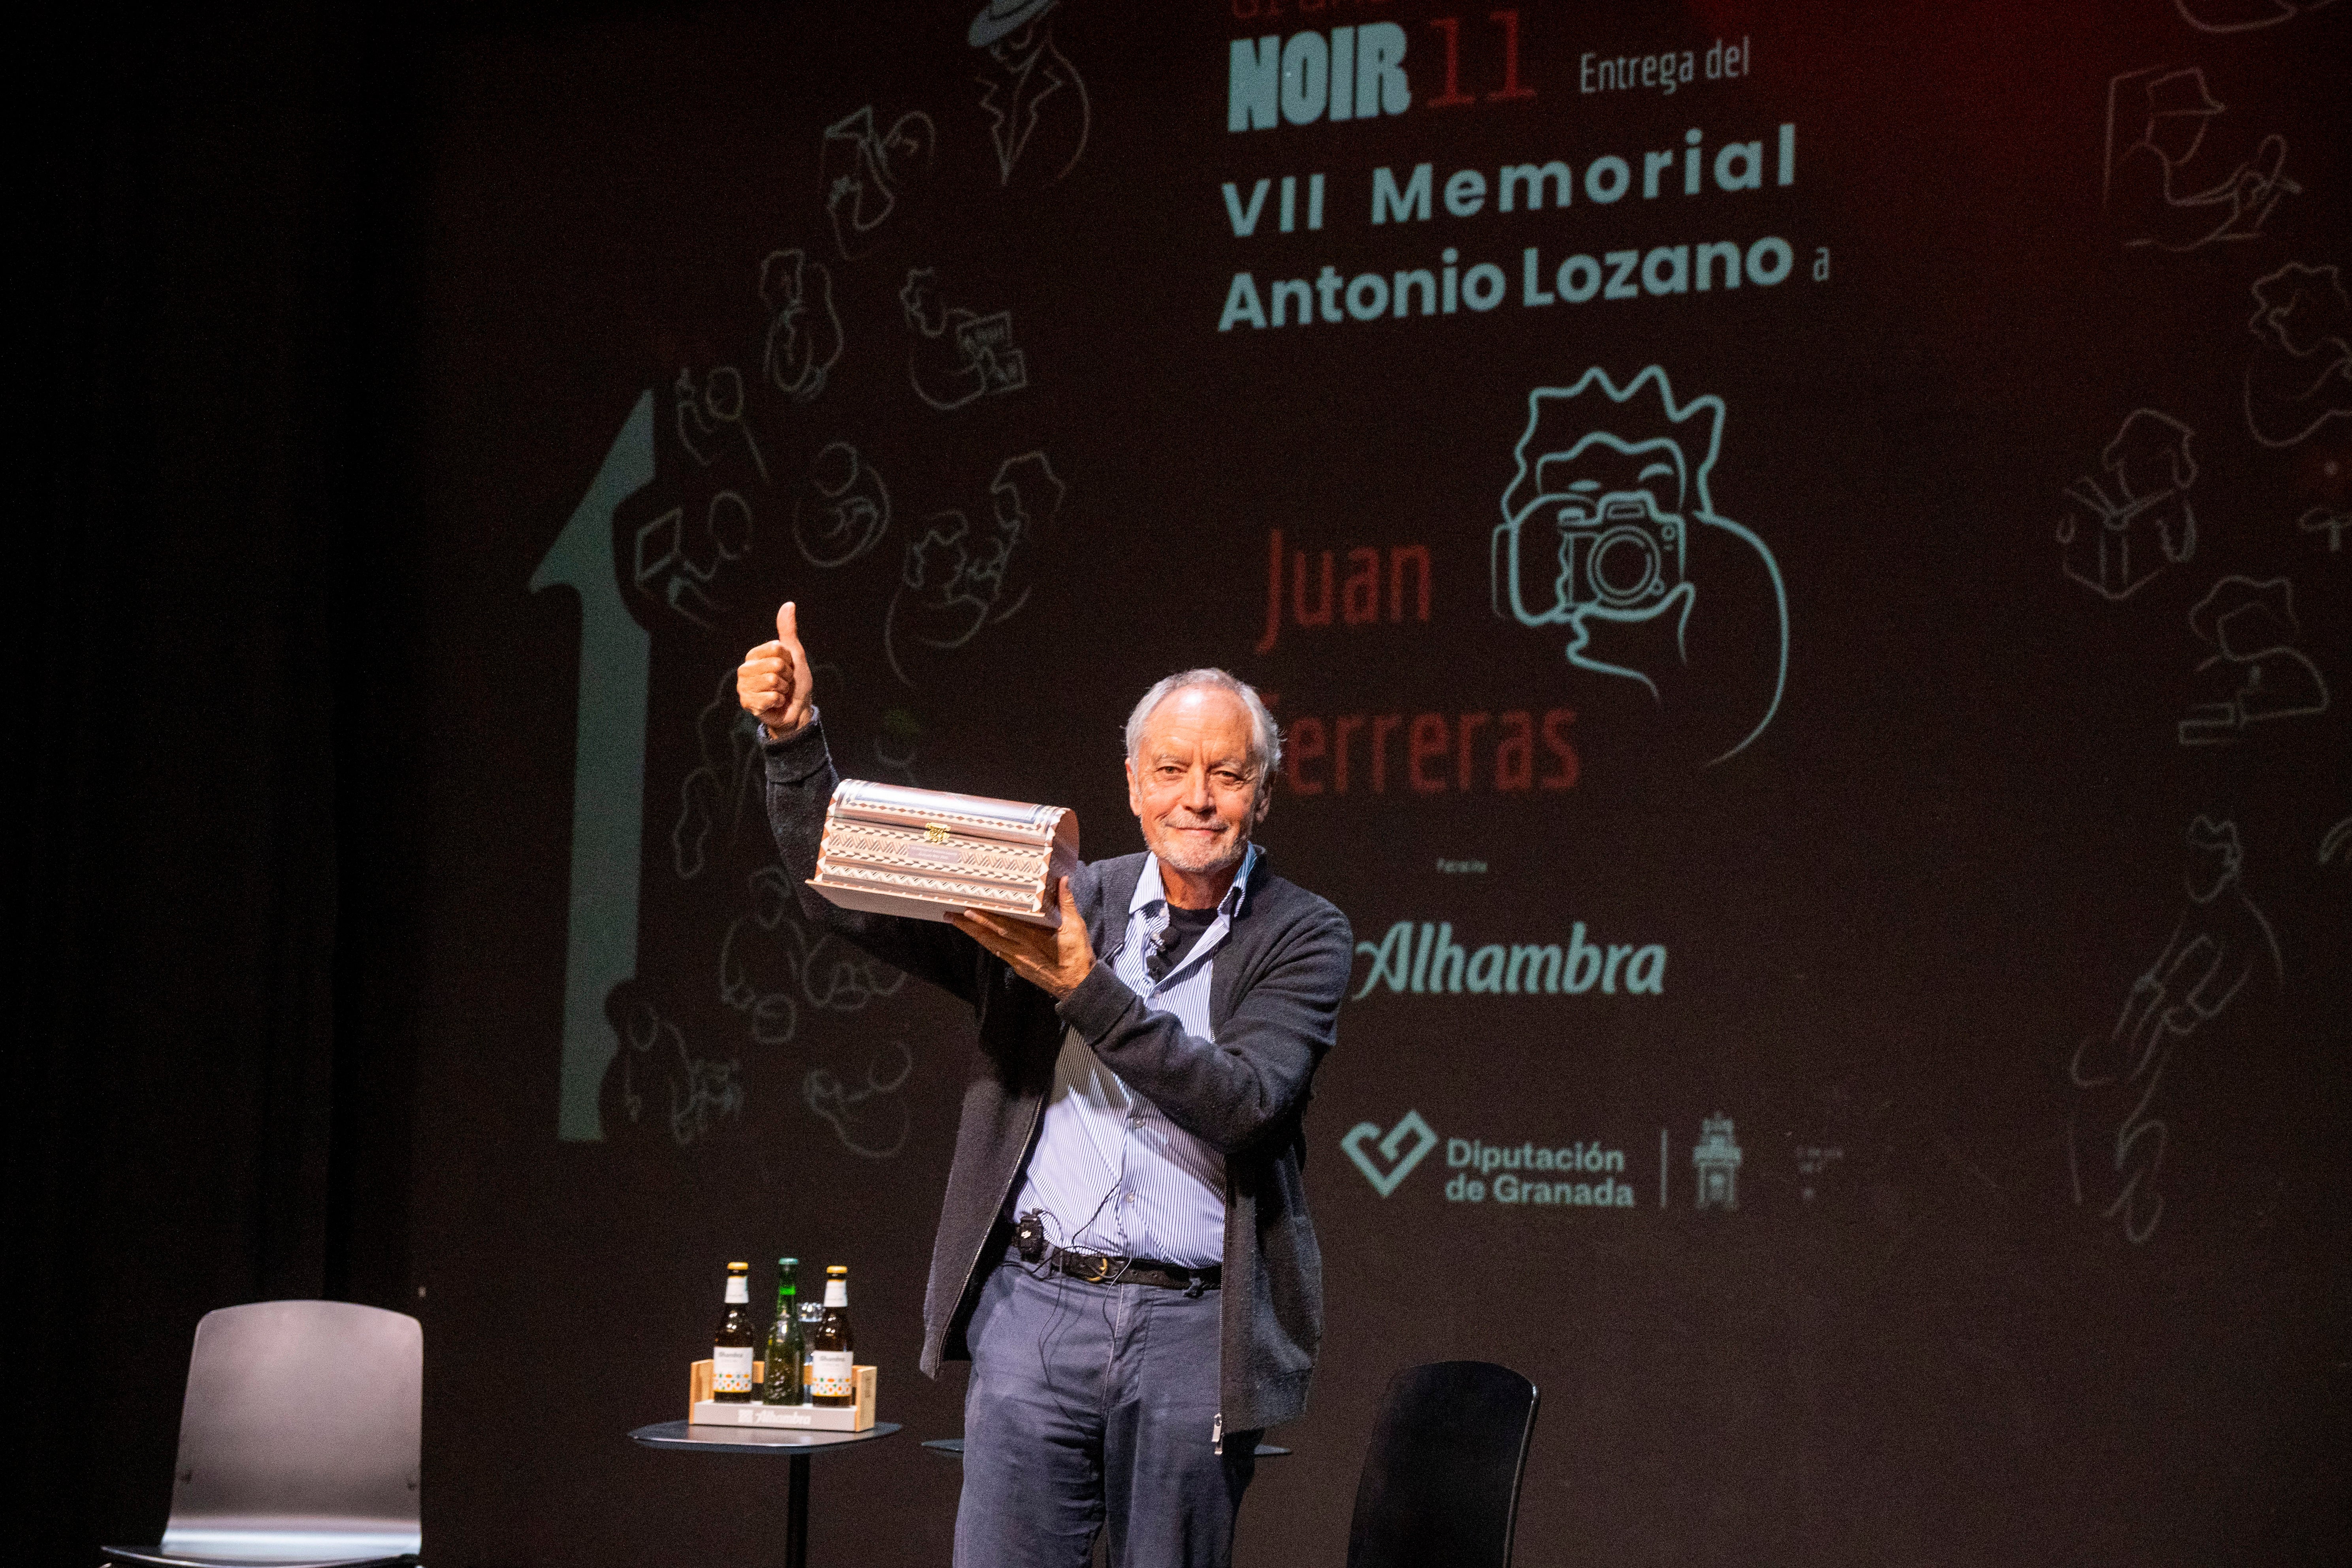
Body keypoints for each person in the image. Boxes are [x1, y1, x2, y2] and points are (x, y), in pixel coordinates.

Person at [736, 603, 1352, 1568]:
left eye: (1227, 773)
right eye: (1171, 770)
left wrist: (1080, 986)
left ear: (1262, 792)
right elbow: (854, 887)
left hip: (1193, 1330)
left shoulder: (1303, 933)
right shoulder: (1066, 893)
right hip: (1037, 1308)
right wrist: (791, 740)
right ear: (1133, 784)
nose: (1198, 796)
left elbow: (1245, 1103)